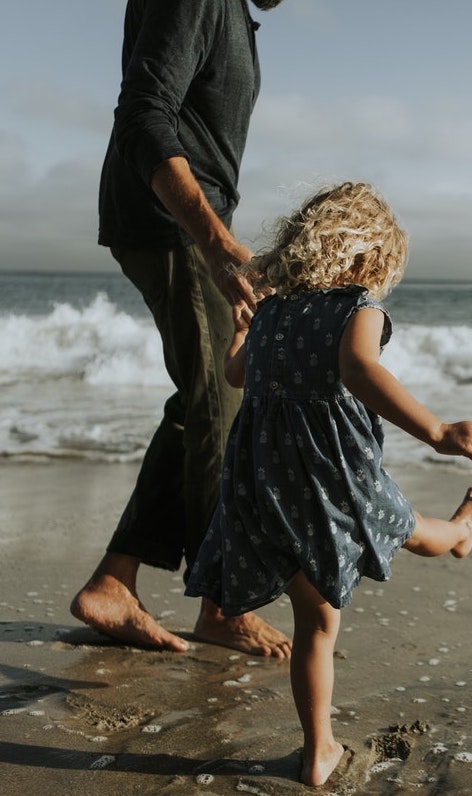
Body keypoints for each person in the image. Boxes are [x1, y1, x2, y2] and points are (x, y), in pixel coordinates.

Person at [185, 181, 472, 786]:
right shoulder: (359, 309)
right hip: (335, 479)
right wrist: (436, 431)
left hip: (268, 485)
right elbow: (359, 369)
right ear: (369, 257)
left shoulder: (272, 310)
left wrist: (241, 329)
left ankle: (316, 750)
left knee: (313, 625)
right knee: (404, 527)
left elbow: (234, 374)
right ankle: (460, 533)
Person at [70, 0, 292, 659]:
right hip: (171, 222)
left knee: (206, 400)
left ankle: (115, 580)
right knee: (227, 405)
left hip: (183, 223)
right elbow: (142, 114)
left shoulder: (232, 14)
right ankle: (221, 604)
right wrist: (216, 241)